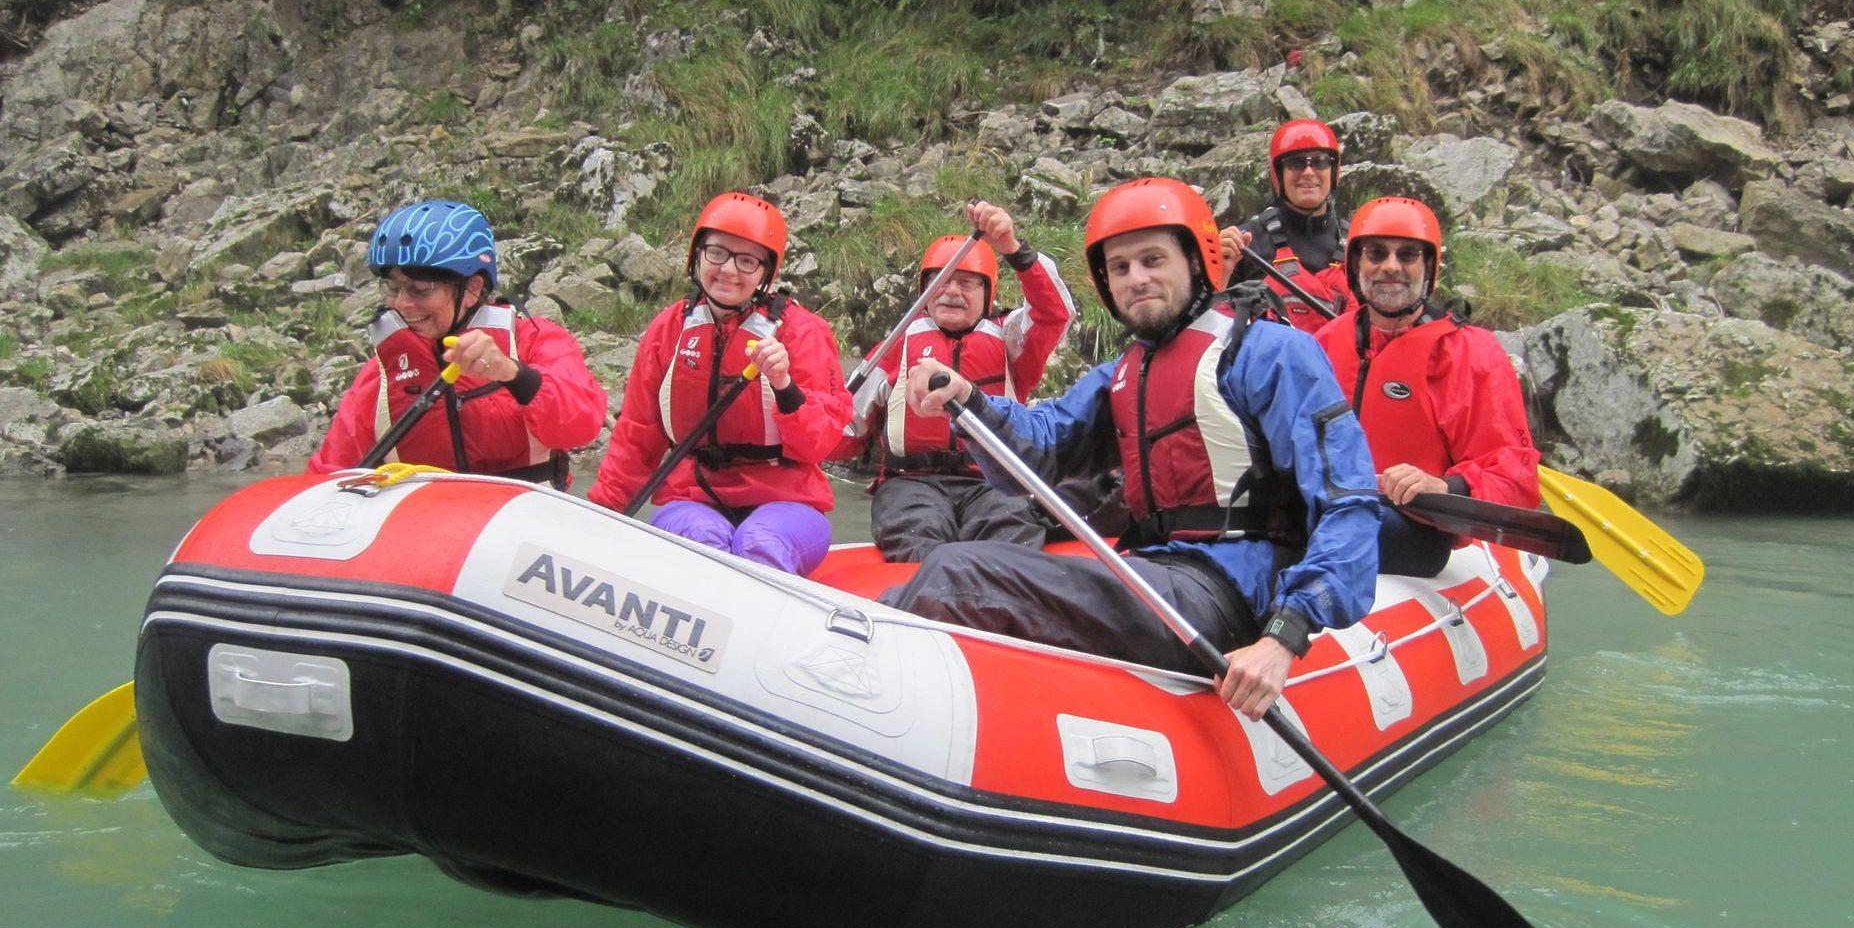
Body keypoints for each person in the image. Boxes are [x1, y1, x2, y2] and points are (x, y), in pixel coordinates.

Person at [887, 178, 1381, 721]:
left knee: (956, 574)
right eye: (1120, 268)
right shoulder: (1124, 372)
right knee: (929, 580)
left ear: (1197, 261)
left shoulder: (1273, 352)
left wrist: (1284, 637)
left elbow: (1348, 501)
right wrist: (969, 401)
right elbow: (1042, 445)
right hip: (1156, 573)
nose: (1136, 279)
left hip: (1230, 595)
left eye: (1153, 260)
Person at [587, 192, 853, 575]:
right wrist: (600, 514)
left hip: (788, 501)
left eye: (747, 261)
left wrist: (784, 385)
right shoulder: (669, 330)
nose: (728, 269)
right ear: (697, 255)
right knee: (702, 540)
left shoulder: (803, 331)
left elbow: (822, 443)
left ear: (765, 273)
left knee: (759, 543)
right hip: (693, 496)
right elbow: (637, 437)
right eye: (717, 253)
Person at [1313, 196, 1541, 576]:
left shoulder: (1471, 354)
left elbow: (1515, 476)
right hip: (1328, 512)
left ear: (1428, 268)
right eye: (1376, 254)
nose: (1390, 266)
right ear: (1356, 265)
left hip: (1416, 527)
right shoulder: (1323, 344)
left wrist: (1444, 486)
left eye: (1407, 255)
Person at [837, 201, 1078, 560]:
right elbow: (849, 422)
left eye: (966, 283)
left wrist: (1014, 249)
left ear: (987, 294)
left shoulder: (1011, 339)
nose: (952, 291)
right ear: (924, 291)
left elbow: (1055, 312)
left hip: (993, 483)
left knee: (1008, 539)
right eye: (940, 281)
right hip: (912, 483)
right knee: (918, 538)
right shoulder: (898, 344)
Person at [309, 199, 608, 484]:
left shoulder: (534, 340)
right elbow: (329, 474)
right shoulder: (383, 373)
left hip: (521, 514)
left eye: (420, 289)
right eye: (393, 288)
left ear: (472, 288)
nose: (401, 304)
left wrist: (514, 374)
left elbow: (582, 427)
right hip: (428, 517)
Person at [1234, 118, 1352, 333]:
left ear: (1334, 171)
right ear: (1278, 174)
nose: (1308, 172)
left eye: (1319, 162)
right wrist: (1221, 269)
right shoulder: (1247, 242)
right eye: (1296, 163)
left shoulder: (1360, 247)